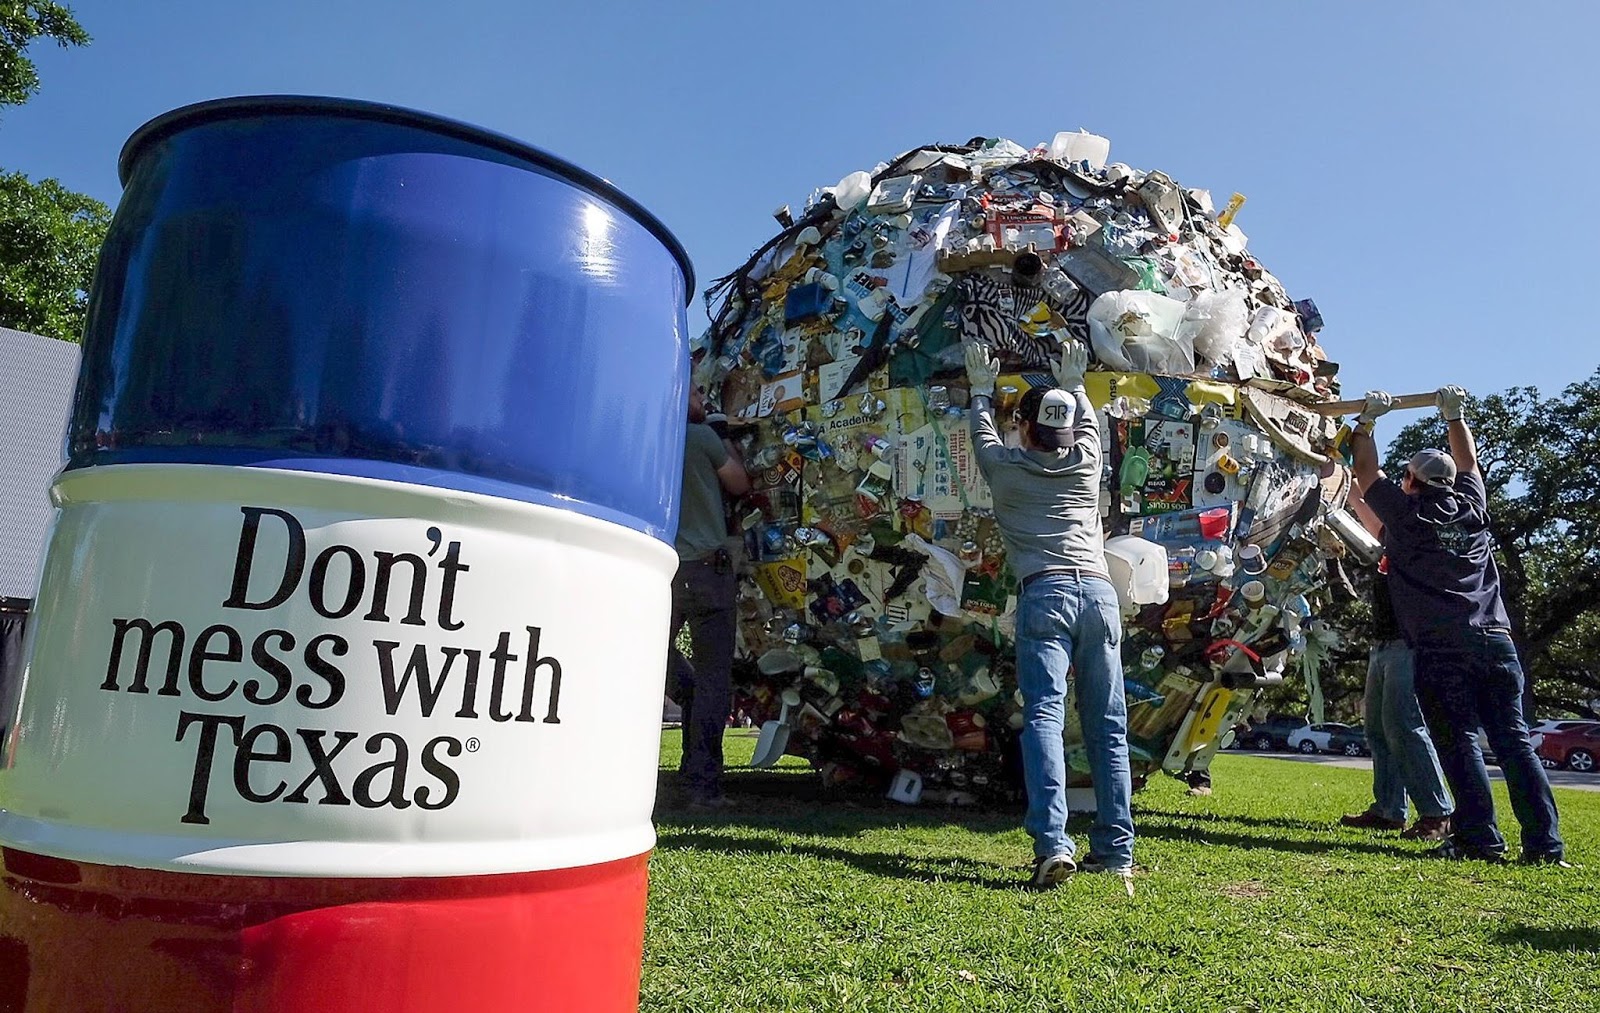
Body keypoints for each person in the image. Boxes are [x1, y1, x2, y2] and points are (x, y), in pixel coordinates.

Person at [1350, 386, 1563, 864]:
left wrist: (1366, 424)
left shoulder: (1406, 518)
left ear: (1410, 481)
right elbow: (1468, 464)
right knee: (1515, 743)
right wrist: (1455, 416)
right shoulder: (1472, 509)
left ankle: (1480, 840)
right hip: (1497, 643)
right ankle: (1545, 846)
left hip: (1442, 649)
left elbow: (1365, 473)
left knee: (1460, 743)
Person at [965, 339, 1134, 889]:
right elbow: (1088, 428)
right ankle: (1115, 850)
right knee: (1107, 726)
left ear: (1025, 430)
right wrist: (1078, 388)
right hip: (1100, 596)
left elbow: (982, 434)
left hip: (1047, 592)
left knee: (1044, 716)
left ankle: (1053, 845)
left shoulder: (1005, 469)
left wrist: (980, 390)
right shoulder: (1086, 461)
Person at [1338, 488, 1453, 840]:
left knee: (1405, 726)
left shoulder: (1421, 531)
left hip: (1409, 644)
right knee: (1377, 729)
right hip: (1382, 644)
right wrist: (1347, 477)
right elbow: (1363, 504)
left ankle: (1438, 812)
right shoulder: (1394, 534)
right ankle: (1389, 810)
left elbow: (1373, 501)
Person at [667, 386, 749, 809]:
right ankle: (703, 785)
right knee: (714, 679)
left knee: (653, 658)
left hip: (663, 571)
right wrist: (728, 441)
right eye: (698, 391)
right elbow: (739, 483)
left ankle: (685, 692)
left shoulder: (655, 439)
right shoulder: (701, 438)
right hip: (707, 571)